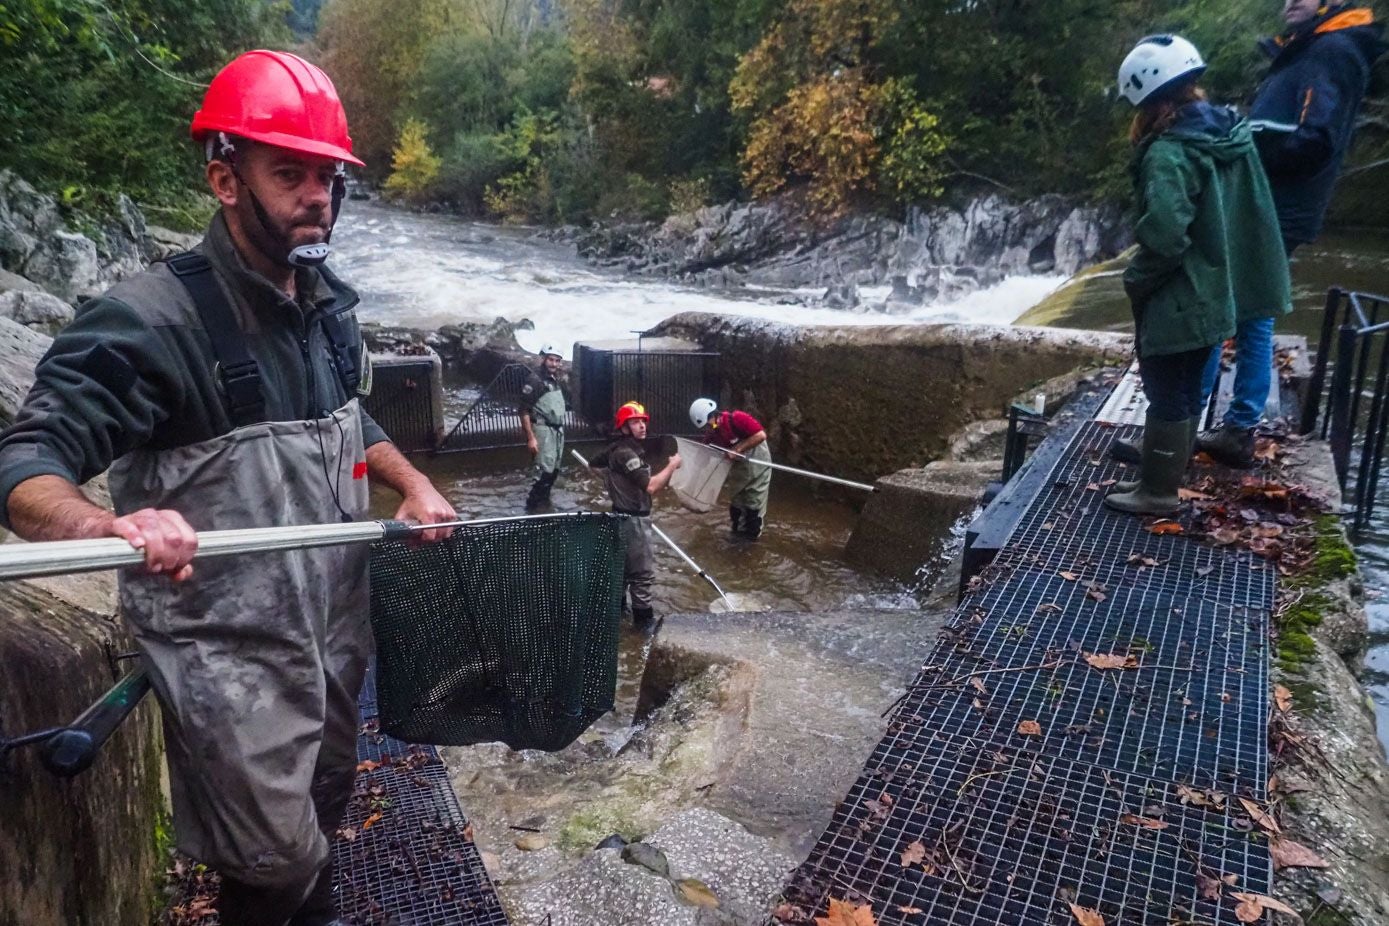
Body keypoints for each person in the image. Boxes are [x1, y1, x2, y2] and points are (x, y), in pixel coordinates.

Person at [0, 51, 456, 926]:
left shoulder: (326, 307)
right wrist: (110, 522)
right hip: (226, 655)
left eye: (326, 176)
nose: (316, 195)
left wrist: (410, 482)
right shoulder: (149, 323)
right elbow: (25, 463)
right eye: (289, 173)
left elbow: (350, 421)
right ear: (223, 178)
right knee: (274, 861)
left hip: (329, 633)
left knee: (323, 811)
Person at [1107, 35, 1292, 515]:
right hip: (1220, 289)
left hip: (1182, 292)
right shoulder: (1231, 132)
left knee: (1166, 390)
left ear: (1144, 99)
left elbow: (1165, 235)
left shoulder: (1169, 152)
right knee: (1189, 387)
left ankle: (1157, 493)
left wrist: (1137, 278)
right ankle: (1169, 471)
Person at [1197, 0, 1386, 466]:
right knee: (1244, 312)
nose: (1289, 3)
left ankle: (1206, 426)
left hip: (1275, 208)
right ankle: (1228, 426)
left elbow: (1314, 138)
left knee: (1229, 309)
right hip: (1274, 205)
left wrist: (1244, 151)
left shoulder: (1330, 51)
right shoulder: (1313, 49)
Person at [600, 401, 680, 628]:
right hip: (634, 522)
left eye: (643, 422)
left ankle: (618, 623)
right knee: (642, 577)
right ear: (624, 427)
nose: (642, 426)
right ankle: (643, 631)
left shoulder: (616, 450)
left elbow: (594, 465)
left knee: (622, 574)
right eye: (635, 423)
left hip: (619, 518)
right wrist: (672, 465)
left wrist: (615, 483)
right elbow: (651, 486)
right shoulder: (626, 454)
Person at [689, 398, 772, 539]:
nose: (707, 430)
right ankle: (737, 536)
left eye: (707, 425)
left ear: (713, 415)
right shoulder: (713, 434)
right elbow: (702, 457)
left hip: (758, 464)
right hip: (740, 469)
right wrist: (693, 482)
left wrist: (737, 449)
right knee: (737, 504)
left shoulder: (737, 418)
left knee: (753, 504)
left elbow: (760, 435)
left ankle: (751, 542)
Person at [519, 344, 566, 511]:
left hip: (557, 431)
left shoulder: (555, 380)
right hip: (543, 431)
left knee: (553, 471)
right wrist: (531, 438)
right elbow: (524, 410)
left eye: (557, 361)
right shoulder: (535, 380)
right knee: (543, 473)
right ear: (544, 359)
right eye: (551, 360)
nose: (553, 364)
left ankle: (544, 503)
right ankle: (532, 508)